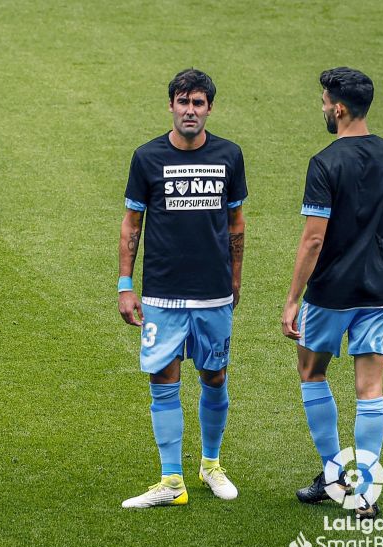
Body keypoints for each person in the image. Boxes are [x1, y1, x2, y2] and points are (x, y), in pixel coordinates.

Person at [282, 67, 383, 519]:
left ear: (338, 108)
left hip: (329, 294)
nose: (321, 107)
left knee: (312, 373)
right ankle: (365, 494)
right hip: (378, 291)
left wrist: (293, 298)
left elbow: (313, 239)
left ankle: (334, 473)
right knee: (370, 388)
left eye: (323, 101)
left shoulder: (325, 162)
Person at [118, 69, 247, 508]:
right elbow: (132, 224)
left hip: (213, 292)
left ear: (209, 108)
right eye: (183, 101)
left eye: (198, 103)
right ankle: (172, 481)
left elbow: (236, 223)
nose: (190, 110)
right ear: (171, 105)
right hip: (162, 293)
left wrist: (235, 278)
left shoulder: (229, 155)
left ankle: (211, 465)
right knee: (163, 378)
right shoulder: (147, 157)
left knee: (215, 376)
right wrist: (125, 285)